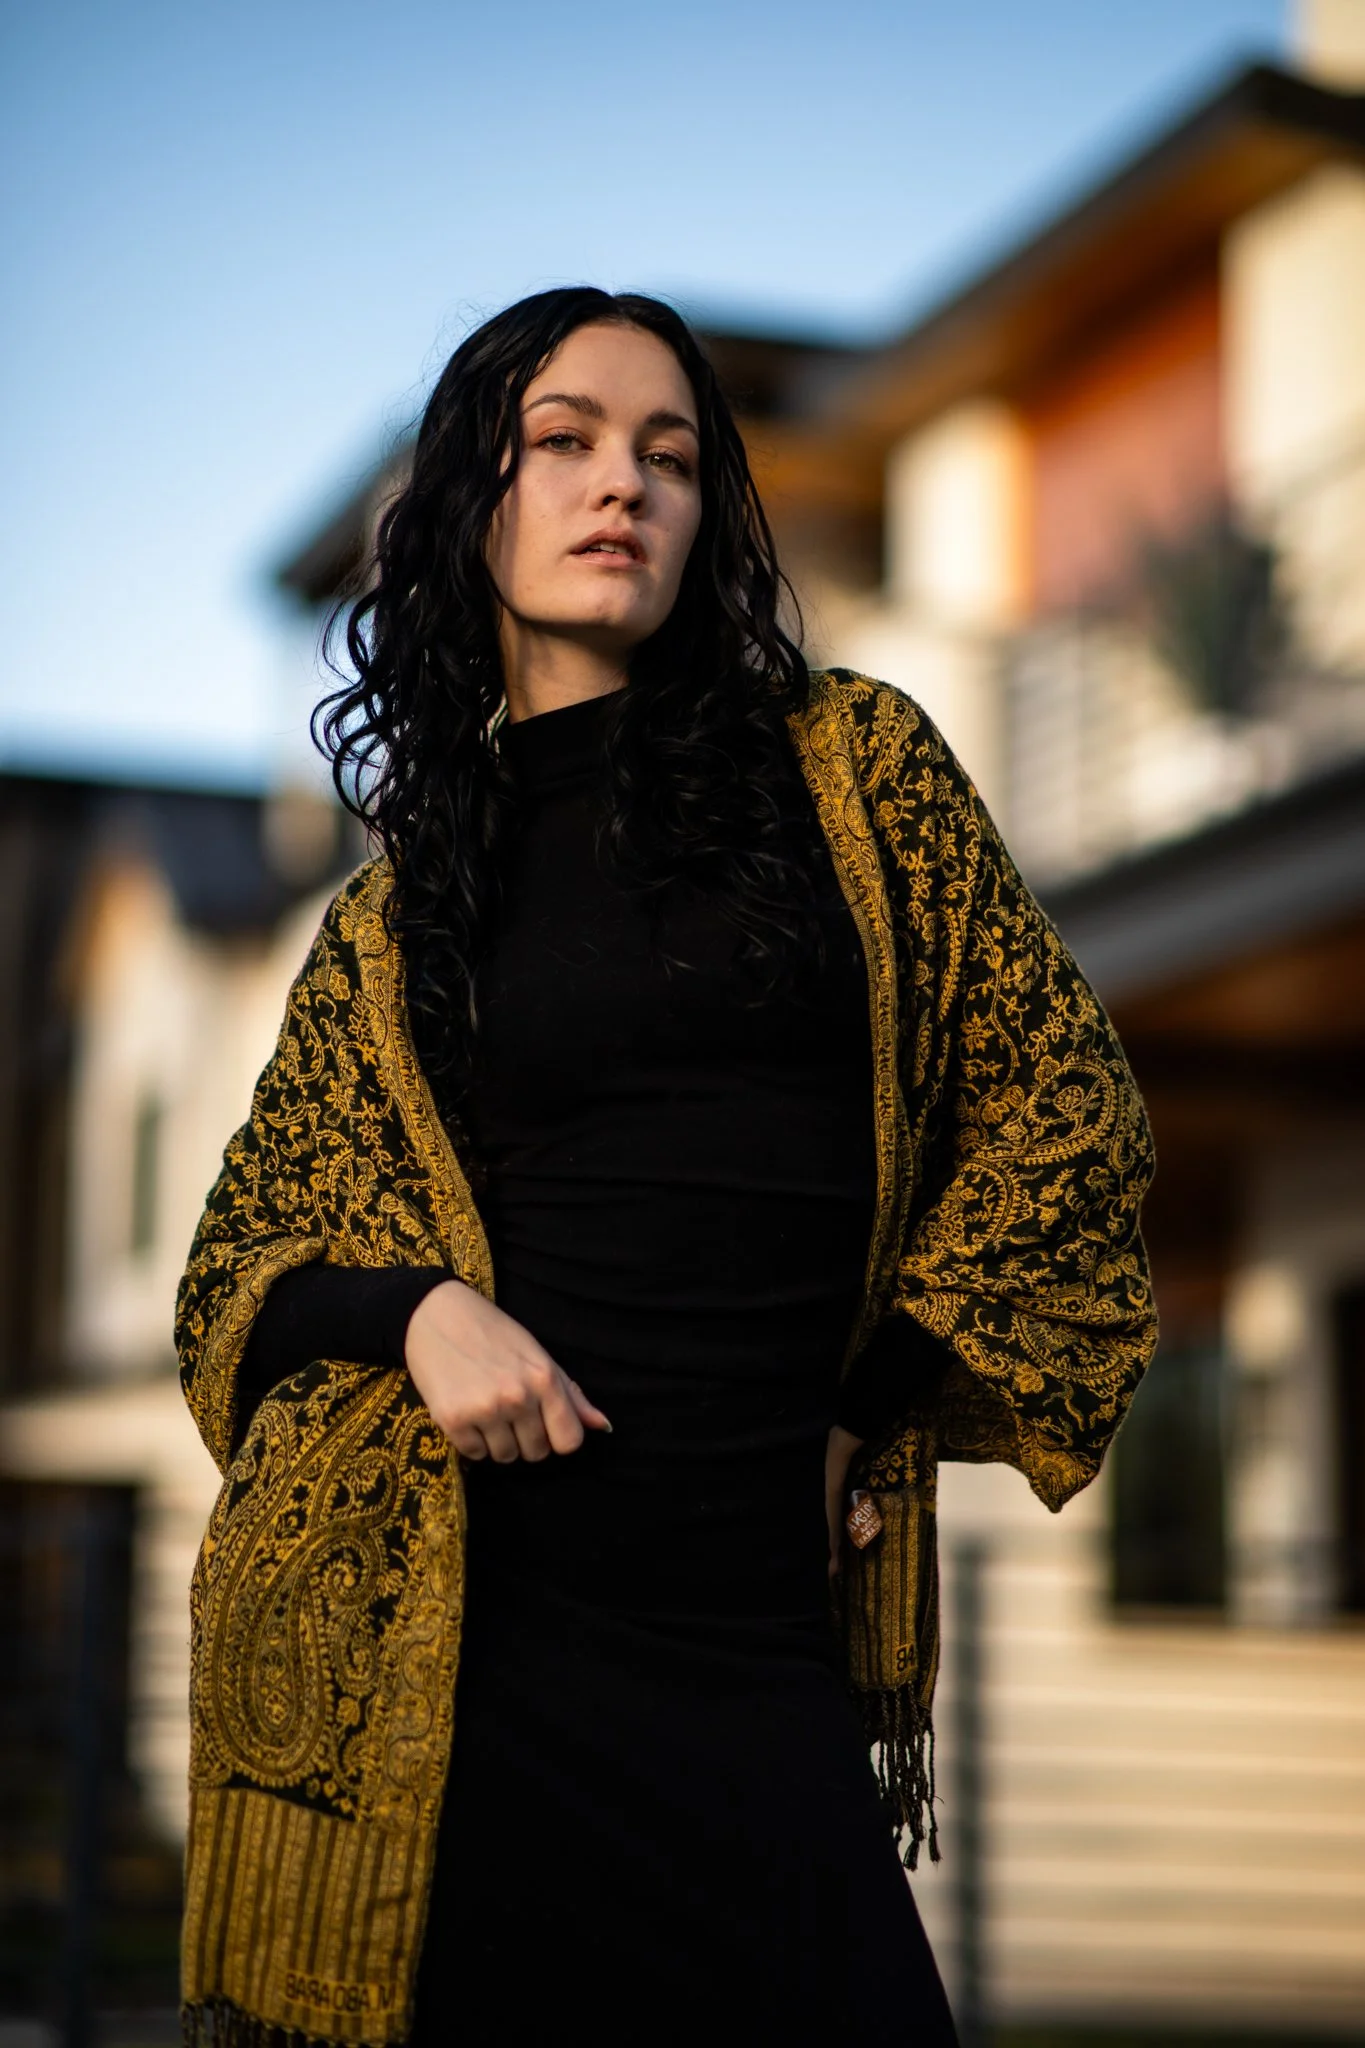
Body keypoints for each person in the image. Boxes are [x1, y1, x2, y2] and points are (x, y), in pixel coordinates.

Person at [176, 287, 1157, 2048]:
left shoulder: (856, 773)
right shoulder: (400, 914)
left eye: (671, 455)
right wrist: (418, 1316)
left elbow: (1065, 1111)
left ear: (709, 515)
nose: (622, 482)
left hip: (756, 1630)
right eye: (563, 441)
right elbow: (233, 1279)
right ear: (472, 495)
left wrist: (869, 1402)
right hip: (476, 1652)